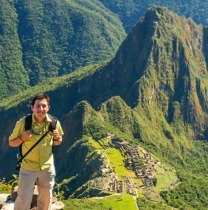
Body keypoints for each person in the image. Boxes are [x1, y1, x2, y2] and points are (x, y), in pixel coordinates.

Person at [9, 93, 64, 210]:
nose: (41, 109)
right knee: (23, 199)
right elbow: (11, 142)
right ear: (32, 107)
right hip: (28, 168)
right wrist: (21, 138)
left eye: (44, 106)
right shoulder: (23, 123)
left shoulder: (54, 123)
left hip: (47, 168)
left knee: (46, 199)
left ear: (48, 107)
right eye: (38, 106)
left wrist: (57, 138)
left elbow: (59, 141)